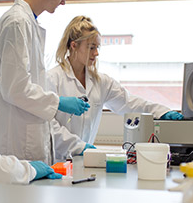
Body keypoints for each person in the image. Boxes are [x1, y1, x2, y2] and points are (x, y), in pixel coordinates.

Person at [0, 0, 89, 166]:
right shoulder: (17, 23)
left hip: (25, 139)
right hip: (14, 142)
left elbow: (28, 87)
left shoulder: (27, 22)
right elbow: (15, 89)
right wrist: (58, 102)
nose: (64, 1)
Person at [47, 16, 183, 161]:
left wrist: (161, 112)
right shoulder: (52, 79)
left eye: (97, 47)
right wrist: (78, 146)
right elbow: (49, 125)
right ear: (73, 46)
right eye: (91, 47)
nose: (96, 53)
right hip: (57, 161)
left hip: (84, 161)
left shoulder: (101, 82)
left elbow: (130, 102)